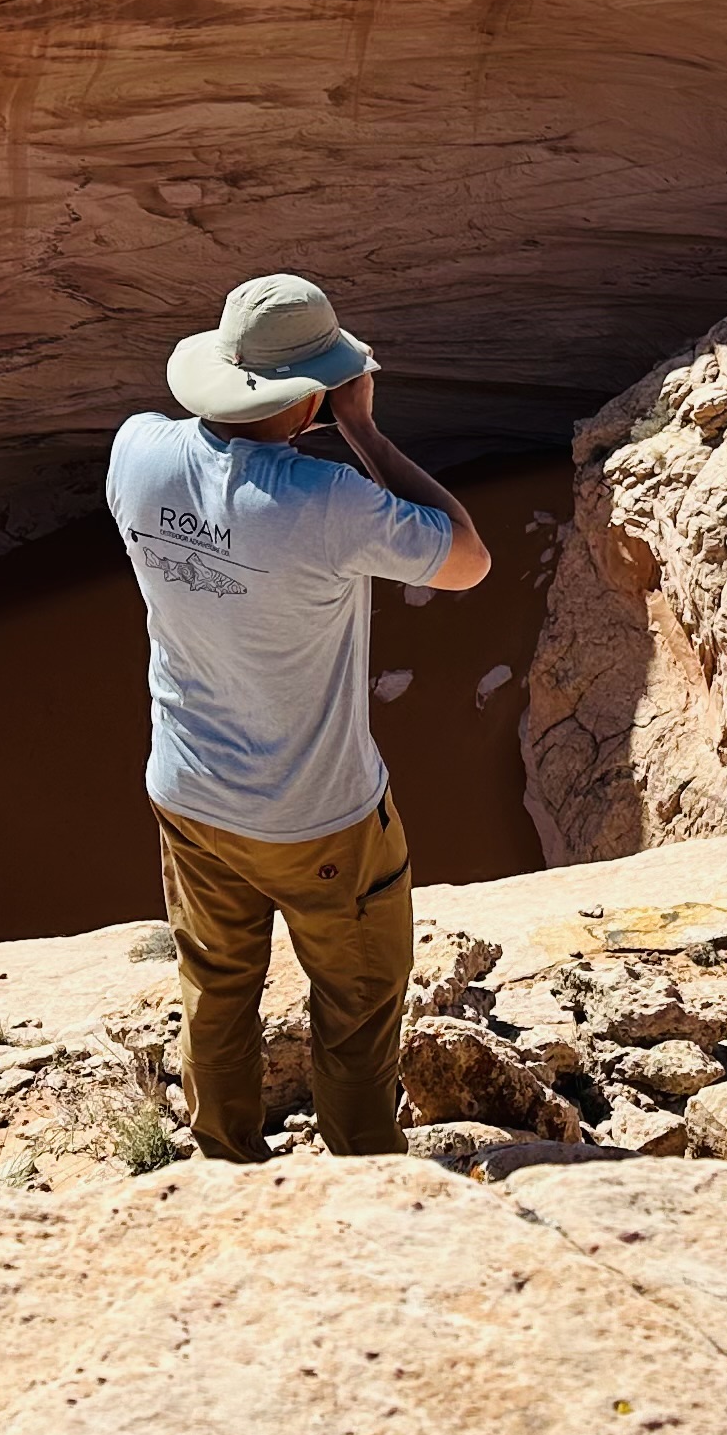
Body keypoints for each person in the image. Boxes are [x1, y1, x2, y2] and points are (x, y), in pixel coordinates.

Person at [109, 272, 490, 1161]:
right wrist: (360, 428)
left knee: (215, 985)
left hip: (189, 795)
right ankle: (359, 1172)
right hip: (318, 818)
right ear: (314, 391)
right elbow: (466, 558)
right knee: (357, 1008)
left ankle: (226, 1157)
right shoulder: (332, 504)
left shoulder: (136, 452)